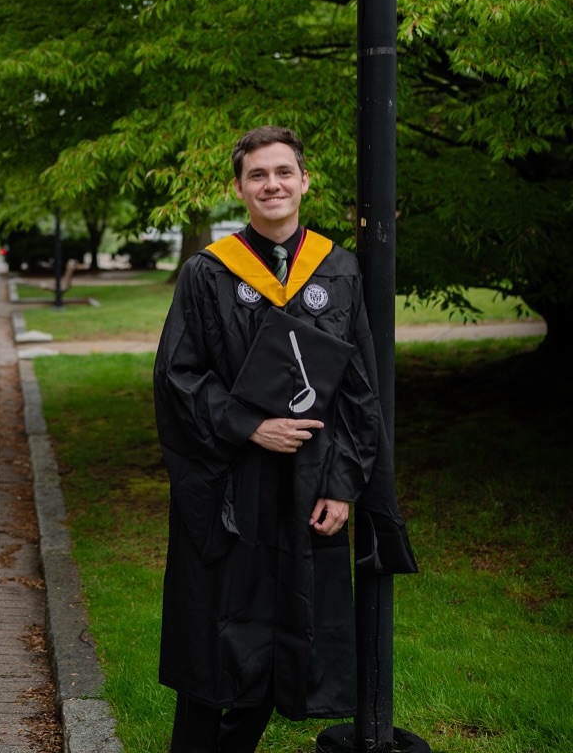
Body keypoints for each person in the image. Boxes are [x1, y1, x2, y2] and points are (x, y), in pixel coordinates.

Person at [153, 125, 416, 753]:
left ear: (304, 181)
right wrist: (251, 426)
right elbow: (177, 376)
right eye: (257, 175)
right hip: (232, 483)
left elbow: (359, 389)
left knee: (289, 632)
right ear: (239, 188)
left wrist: (343, 486)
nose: (271, 185)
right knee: (216, 638)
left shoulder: (339, 270)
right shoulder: (208, 273)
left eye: (283, 172)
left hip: (309, 481)